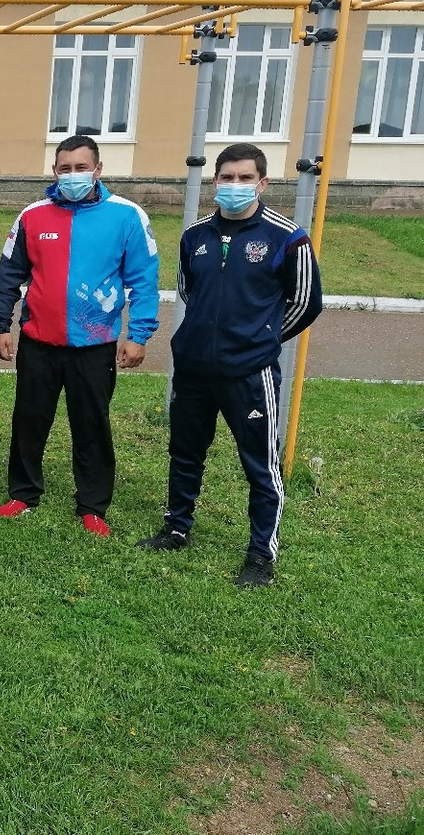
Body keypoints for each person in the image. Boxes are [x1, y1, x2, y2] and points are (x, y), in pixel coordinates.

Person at [137, 143, 322, 588]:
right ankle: (177, 527)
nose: (234, 185)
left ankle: (260, 555)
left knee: (261, 465)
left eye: (244, 178)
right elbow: (189, 291)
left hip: (250, 374)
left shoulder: (288, 237)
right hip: (194, 368)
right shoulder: (194, 236)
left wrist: (260, 338)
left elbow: (306, 303)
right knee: (185, 453)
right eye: (227, 177)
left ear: (262, 183)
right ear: (215, 181)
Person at [0, 134, 159, 538]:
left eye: (81, 168)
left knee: (91, 426)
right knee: (29, 420)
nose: (73, 175)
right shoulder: (32, 216)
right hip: (38, 343)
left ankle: (93, 505)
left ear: (98, 169)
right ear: (54, 171)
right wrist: (1, 325)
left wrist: (138, 334)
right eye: (65, 169)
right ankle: (24, 494)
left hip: (94, 346)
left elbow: (144, 280)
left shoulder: (127, 216)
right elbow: (9, 275)